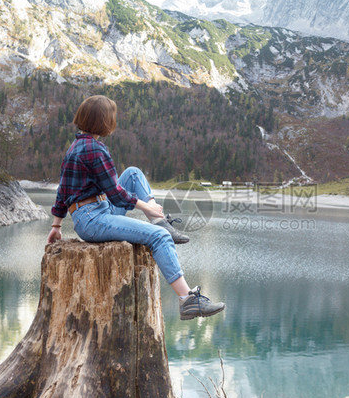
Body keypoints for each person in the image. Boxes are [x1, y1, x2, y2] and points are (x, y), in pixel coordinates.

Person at [46, 95, 225, 320]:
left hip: (91, 213)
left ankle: (160, 222)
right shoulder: (95, 150)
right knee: (159, 237)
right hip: (93, 220)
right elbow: (115, 193)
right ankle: (187, 299)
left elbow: (63, 190)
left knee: (132, 173)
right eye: (112, 117)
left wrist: (56, 225)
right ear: (103, 121)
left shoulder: (75, 147)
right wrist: (146, 208)